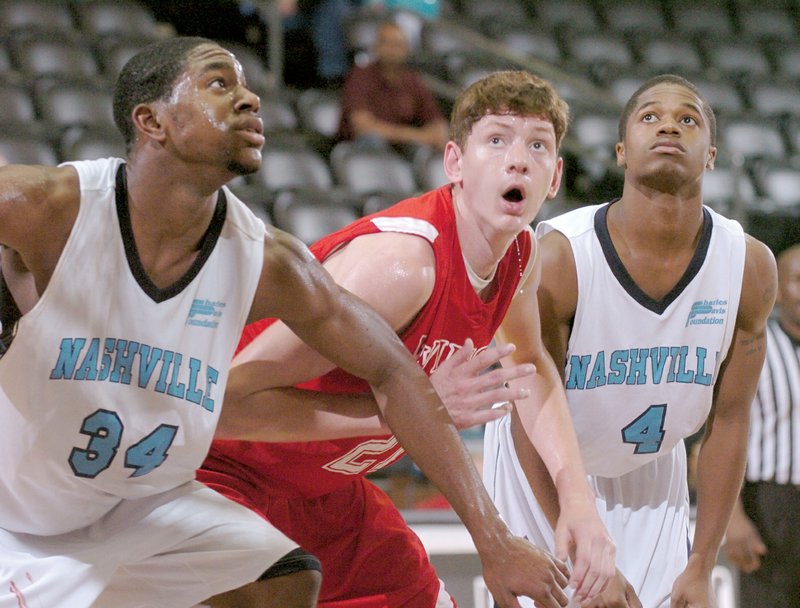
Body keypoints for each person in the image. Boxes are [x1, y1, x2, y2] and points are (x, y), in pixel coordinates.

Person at [0, 38, 575, 608]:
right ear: (153, 121)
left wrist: (497, 538)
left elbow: (398, 378)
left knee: (285, 579)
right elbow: (237, 402)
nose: (251, 99)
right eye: (220, 84)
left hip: (183, 497)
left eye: (248, 86)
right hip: (63, 503)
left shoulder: (263, 259)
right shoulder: (47, 207)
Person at [199, 70, 616, 608]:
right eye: (496, 140)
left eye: (537, 145)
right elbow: (221, 405)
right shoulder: (403, 266)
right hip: (222, 470)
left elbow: (532, 366)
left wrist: (577, 500)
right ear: (455, 163)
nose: (518, 160)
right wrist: (410, 409)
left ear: (555, 176)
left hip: (325, 487)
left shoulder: (521, 255)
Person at [483, 73, 778, 608]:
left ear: (710, 155)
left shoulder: (748, 267)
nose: (669, 124)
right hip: (545, 462)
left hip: (649, 467)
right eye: (650, 117)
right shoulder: (560, 259)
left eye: (688, 119)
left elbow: (730, 422)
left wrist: (702, 563)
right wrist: (583, 555)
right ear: (622, 151)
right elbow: (531, 411)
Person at [723, 243, 800, 608]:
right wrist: (732, 518)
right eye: (798, 281)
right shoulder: (754, 347)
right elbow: (719, 433)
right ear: (778, 287)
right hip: (770, 505)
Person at [337, 20, 449, 154]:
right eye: (386, 43)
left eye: (398, 45)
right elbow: (363, 127)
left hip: (402, 149)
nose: (392, 50)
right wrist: (417, 136)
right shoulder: (360, 76)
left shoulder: (413, 80)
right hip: (361, 151)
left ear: (407, 50)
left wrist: (435, 136)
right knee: (373, 140)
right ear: (376, 46)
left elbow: (437, 123)